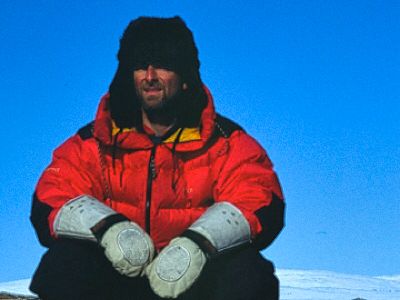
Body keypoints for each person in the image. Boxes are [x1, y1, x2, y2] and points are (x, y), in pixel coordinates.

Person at [29, 16, 285, 300]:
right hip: (117, 282)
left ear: (186, 77)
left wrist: (197, 244)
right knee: (65, 261)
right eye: (140, 66)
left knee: (248, 272)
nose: (150, 76)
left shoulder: (225, 141)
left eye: (163, 65)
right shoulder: (96, 139)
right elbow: (52, 193)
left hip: (193, 286)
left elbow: (258, 197)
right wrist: (109, 228)